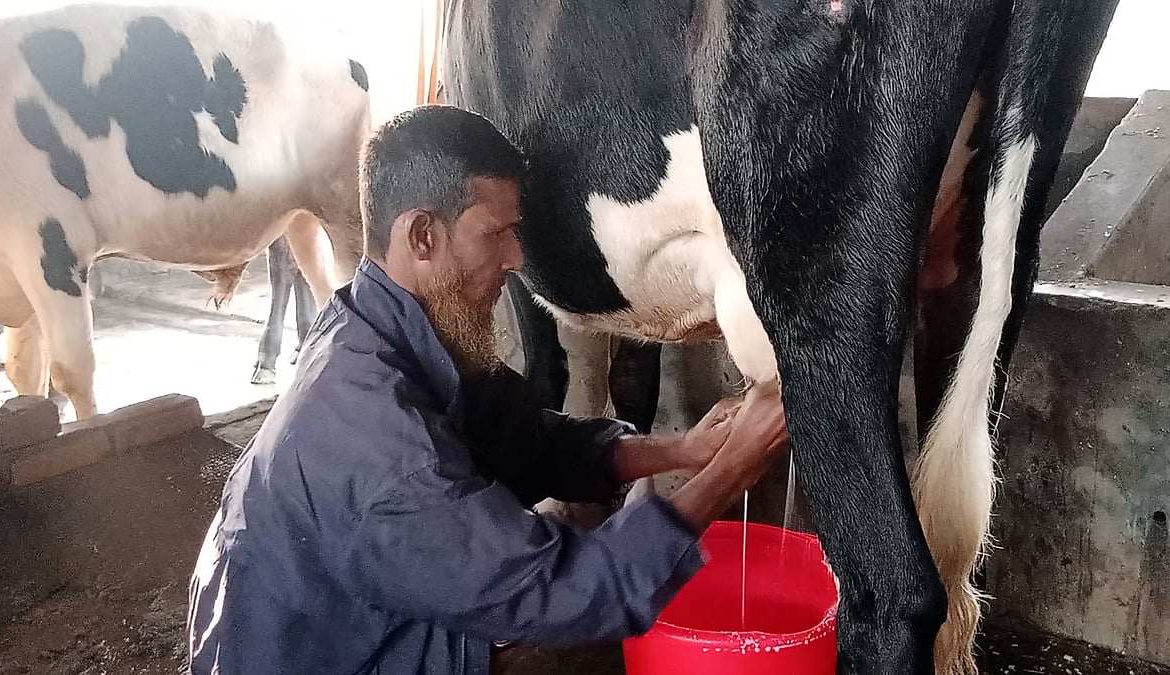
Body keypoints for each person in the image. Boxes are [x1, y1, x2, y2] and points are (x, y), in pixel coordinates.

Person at [186, 105, 790, 675]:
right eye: (496, 233)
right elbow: (574, 591)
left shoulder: (376, 322)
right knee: (571, 626)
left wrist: (684, 451)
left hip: (338, 619)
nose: (516, 257)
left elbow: (531, 442)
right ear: (422, 236)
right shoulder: (382, 446)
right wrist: (736, 465)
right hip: (313, 654)